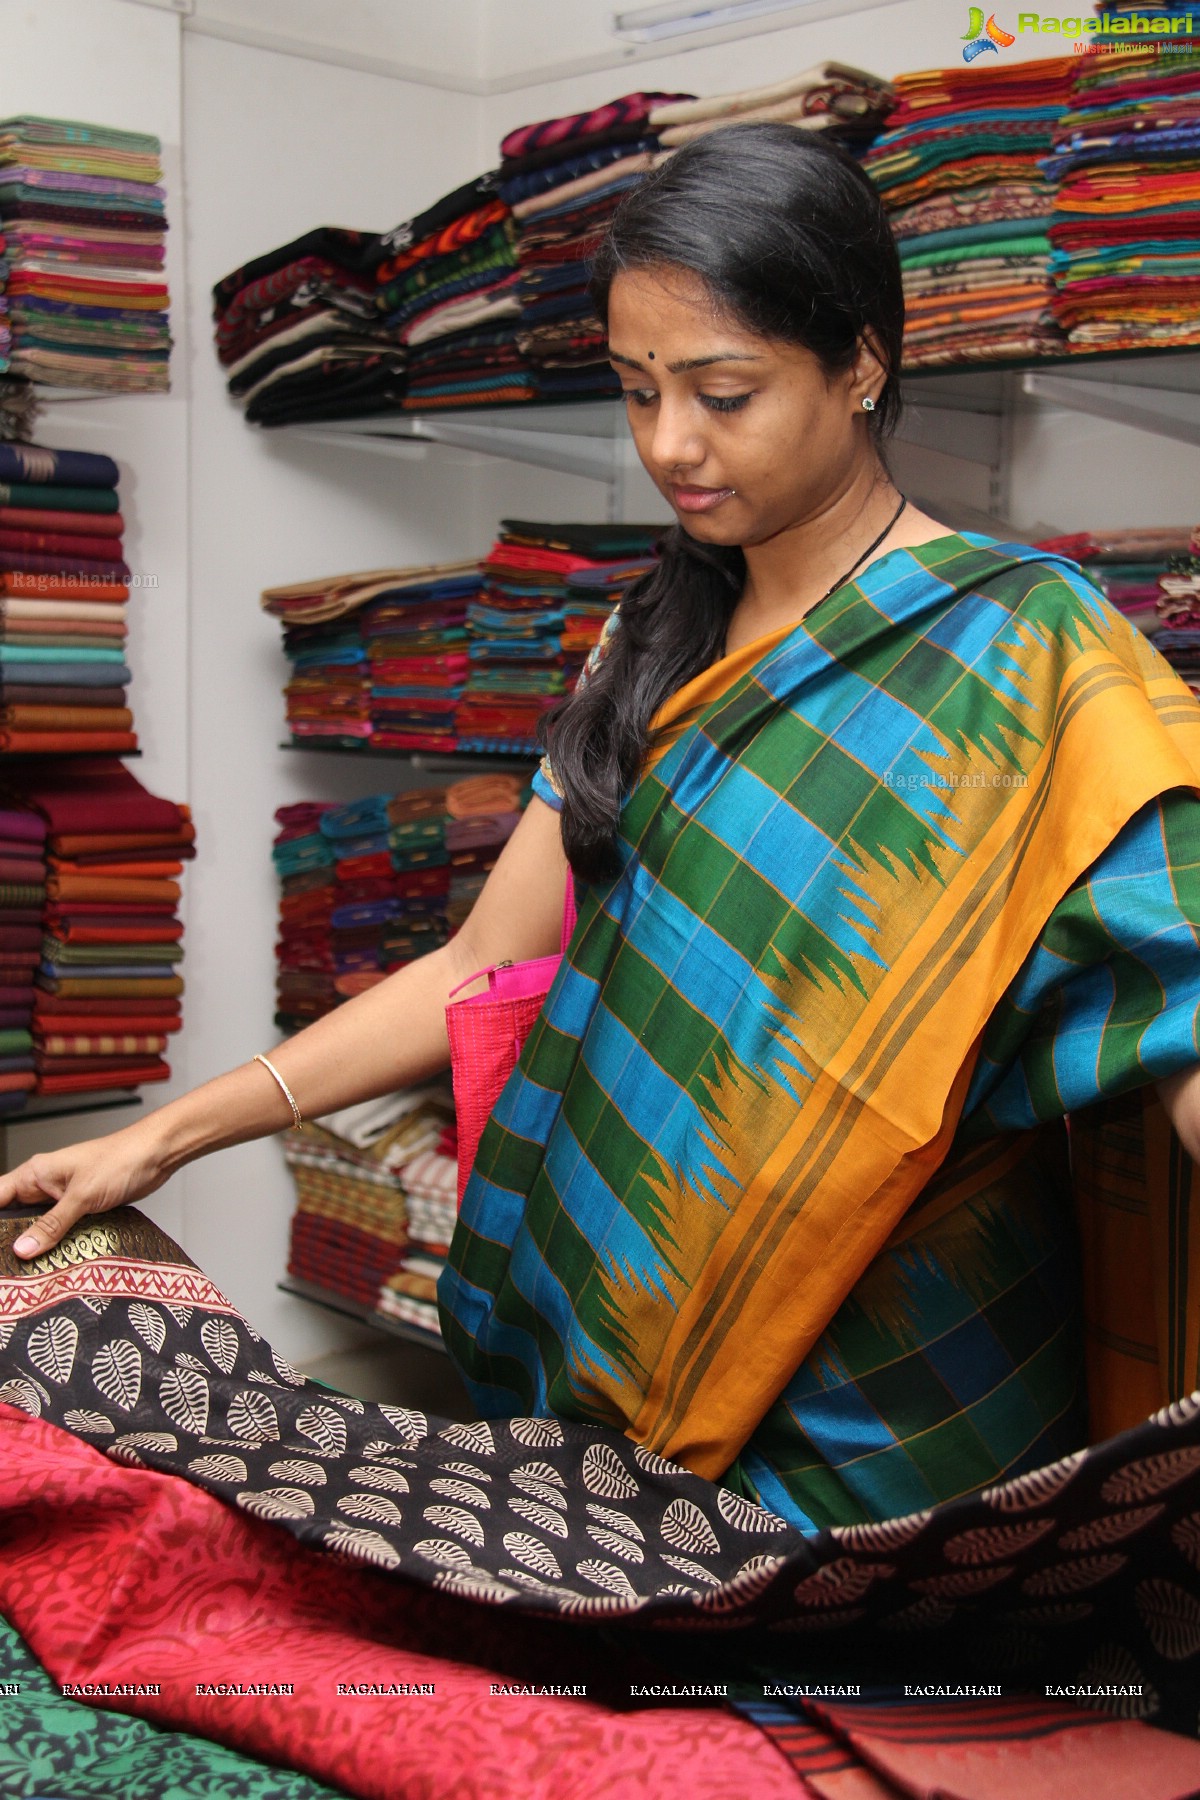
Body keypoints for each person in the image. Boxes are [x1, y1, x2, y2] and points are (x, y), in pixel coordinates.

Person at [3, 123, 1200, 1541]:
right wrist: (169, 1135)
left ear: (864, 361)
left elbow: (1176, 1002)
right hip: (607, 1378)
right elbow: (478, 964)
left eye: (724, 392)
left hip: (896, 1408)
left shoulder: (1028, 651)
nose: (671, 447)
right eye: (637, 394)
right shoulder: (653, 631)